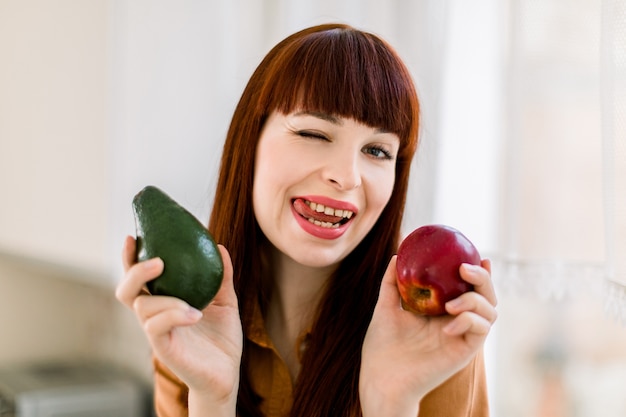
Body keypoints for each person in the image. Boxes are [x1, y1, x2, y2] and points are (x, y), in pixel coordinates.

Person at [116, 23, 498, 417]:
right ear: (251, 141)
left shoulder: (435, 332)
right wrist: (212, 398)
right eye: (315, 134)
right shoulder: (190, 318)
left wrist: (391, 403)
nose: (347, 176)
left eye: (377, 151)